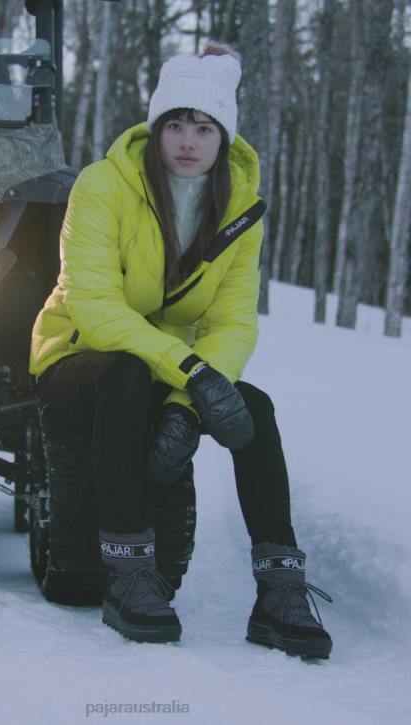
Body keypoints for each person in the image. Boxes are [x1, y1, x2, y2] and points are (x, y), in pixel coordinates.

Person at [30, 43, 333, 659]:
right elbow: (95, 306)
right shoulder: (102, 185)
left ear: (224, 138)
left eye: (204, 127)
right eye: (175, 124)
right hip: (79, 356)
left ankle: (278, 586)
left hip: (174, 371)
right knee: (125, 374)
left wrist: (185, 406)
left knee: (253, 406)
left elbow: (232, 321)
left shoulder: (241, 210)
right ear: (155, 128)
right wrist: (190, 373)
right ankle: (128, 572)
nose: (188, 141)